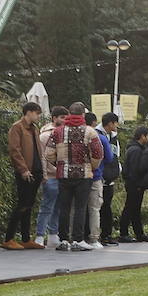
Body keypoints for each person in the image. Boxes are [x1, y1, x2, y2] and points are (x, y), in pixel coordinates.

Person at [43, 102, 104, 251]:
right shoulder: (90, 132)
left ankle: (63, 239)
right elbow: (98, 153)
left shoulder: (57, 132)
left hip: (63, 175)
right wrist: (92, 166)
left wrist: (60, 165)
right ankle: (78, 239)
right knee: (80, 207)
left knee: (64, 207)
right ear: (83, 115)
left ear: (69, 114)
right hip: (84, 175)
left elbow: (48, 154)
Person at [3, 101, 44, 250]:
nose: (39, 116)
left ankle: (26, 238)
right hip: (26, 172)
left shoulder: (35, 129)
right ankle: (9, 238)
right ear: (29, 112)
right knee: (22, 204)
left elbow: (39, 152)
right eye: (37, 113)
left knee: (29, 205)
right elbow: (15, 151)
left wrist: (43, 171)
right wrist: (23, 169)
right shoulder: (17, 127)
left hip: (37, 171)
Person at [34, 106, 67, 247]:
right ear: (54, 118)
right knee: (47, 206)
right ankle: (40, 235)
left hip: (62, 175)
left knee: (58, 206)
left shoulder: (65, 133)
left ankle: (53, 234)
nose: (65, 121)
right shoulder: (45, 135)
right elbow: (42, 156)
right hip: (51, 176)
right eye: (62, 118)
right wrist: (44, 174)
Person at [118, 126, 148, 242]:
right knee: (130, 207)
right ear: (142, 136)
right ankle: (124, 233)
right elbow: (134, 169)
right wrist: (137, 183)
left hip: (134, 183)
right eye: (147, 136)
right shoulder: (136, 150)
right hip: (135, 183)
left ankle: (139, 233)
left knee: (135, 209)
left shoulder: (134, 148)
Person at [83, 111, 109, 251]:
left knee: (77, 208)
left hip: (78, 176)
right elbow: (108, 157)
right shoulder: (99, 137)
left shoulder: (74, 134)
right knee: (94, 209)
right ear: (93, 122)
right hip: (96, 176)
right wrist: (95, 166)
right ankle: (94, 238)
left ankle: (75, 237)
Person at [98, 113, 121, 246]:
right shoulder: (97, 134)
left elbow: (116, 154)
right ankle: (98, 235)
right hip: (100, 177)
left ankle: (107, 234)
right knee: (98, 208)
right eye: (115, 123)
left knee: (107, 207)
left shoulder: (113, 137)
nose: (117, 126)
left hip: (110, 177)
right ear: (110, 123)